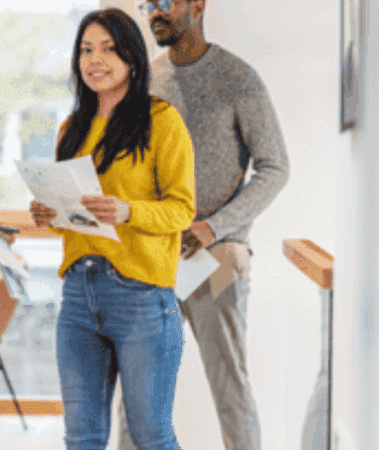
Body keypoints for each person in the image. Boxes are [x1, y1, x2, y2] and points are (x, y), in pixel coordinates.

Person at [119, 1, 290, 449]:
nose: (154, 12)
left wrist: (213, 228)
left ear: (197, 5)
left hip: (217, 256)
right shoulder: (145, 81)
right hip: (155, 254)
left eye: (165, 3)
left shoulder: (238, 79)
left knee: (229, 387)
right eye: (146, 4)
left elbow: (275, 168)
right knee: (136, 393)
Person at [29, 8, 195, 450]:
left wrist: (129, 212)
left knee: (150, 435)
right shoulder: (72, 128)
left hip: (141, 297)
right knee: (81, 437)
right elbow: (75, 218)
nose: (94, 60)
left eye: (107, 48)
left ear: (132, 59)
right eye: (86, 50)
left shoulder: (162, 121)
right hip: (78, 295)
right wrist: (51, 215)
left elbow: (181, 210)